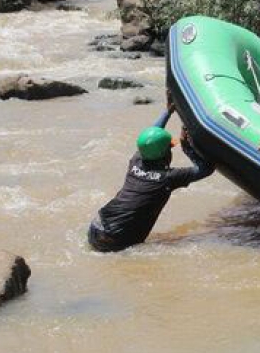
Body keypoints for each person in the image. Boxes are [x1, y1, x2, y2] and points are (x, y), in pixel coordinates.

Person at [88, 103, 215, 252]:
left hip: (96, 227)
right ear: (165, 155)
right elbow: (206, 169)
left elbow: (148, 140)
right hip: (114, 239)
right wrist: (186, 147)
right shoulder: (168, 178)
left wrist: (167, 111)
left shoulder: (136, 162)